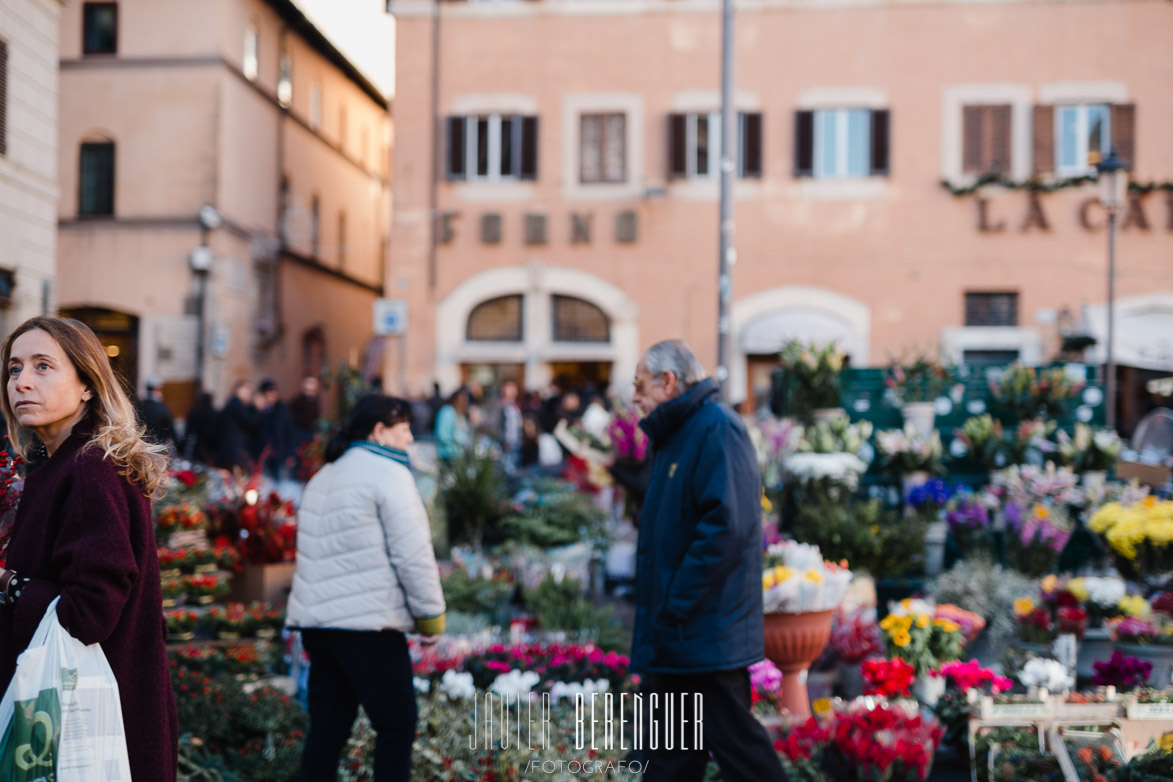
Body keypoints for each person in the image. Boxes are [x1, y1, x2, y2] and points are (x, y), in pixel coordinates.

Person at [0, 315, 178, 780]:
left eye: (43, 367)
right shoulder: (68, 464)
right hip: (101, 712)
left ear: (87, 385)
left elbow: (90, 612)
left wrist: (7, 583)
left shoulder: (87, 468)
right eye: (14, 369)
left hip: (89, 722)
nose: (22, 382)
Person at [629, 339, 788, 782]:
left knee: (742, 755)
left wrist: (677, 600)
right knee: (671, 760)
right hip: (682, 635)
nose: (634, 397)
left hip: (704, 634)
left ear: (668, 380)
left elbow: (728, 528)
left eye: (639, 384)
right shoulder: (677, 433)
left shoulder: (716, 428)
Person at [286, 394, 446, 782]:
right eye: (403, 427)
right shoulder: (389, 474)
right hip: (368, 628)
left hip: (320, 626)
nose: (409, 437)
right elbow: (413, 555)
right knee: (396, 725)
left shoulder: (324, 476)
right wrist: (431, 620)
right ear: (379, 431)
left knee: (328, 727)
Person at [253, 378, 296, 480]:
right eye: (268, 393)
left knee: (282, 483)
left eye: (273, 393)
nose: (271, 396)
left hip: (280, 453)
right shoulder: (258, 410)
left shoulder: (282, 409)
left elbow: (289, 431)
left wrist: (290, 453)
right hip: (263, 454)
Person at [216, 378, 263, 470]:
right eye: (247, 388)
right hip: (234, 452)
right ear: (238, 389)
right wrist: (257, 408)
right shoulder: (236, 404)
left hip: (232, 451)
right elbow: (249, 422)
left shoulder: (233, 403)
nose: (250, 392)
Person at [135, 375, 177, 448]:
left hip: (143, 447)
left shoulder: (138, 407)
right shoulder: (163, 408)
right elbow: (172, 432)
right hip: (160, 447)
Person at [433, 386, 472, 462]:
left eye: (465, 398)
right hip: (448, 454)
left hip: (459, 455)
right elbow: (442, 435)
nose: (463, 401)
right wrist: (457, 443)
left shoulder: (460, 414)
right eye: (461, 398)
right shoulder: (447, 412)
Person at [182, 389, 218, 464]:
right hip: (211, 447)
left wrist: (182, 448)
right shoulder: (214, 413)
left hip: (199, 447)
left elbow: (188, 432)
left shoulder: (194, 412)